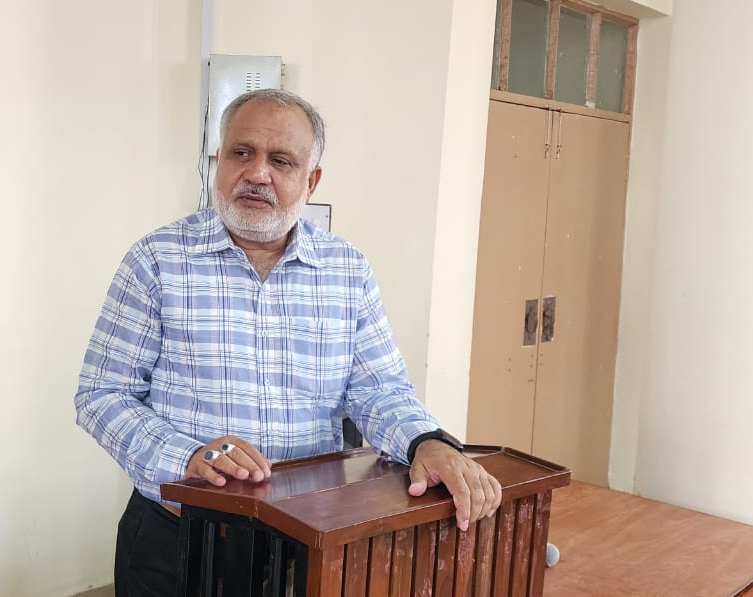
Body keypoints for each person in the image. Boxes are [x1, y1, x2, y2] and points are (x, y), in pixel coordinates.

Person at [74, 89, 501, 597]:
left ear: (310, 180)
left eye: (281, 161)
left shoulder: (346, 269)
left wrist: (425, 441)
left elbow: (379, 390)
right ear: (218, 161)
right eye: (241, 153)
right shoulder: (157, 259)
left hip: (309, 540)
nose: (257, 173)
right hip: (180, 539)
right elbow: (103, 394)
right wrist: (187, 457)